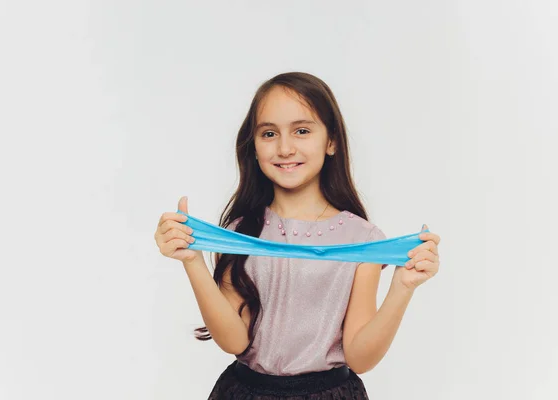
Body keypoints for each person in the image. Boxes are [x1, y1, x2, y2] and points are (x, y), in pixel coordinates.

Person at [155, 72, 441, 399]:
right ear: (254, 145)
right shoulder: (238, 233)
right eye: (269, 133)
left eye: (302, 131)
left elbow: (361, 358)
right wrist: (192, 261)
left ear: (331, 141)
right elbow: (233, 341)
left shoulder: (361, 239)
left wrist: (402, 288)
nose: (285, 147)